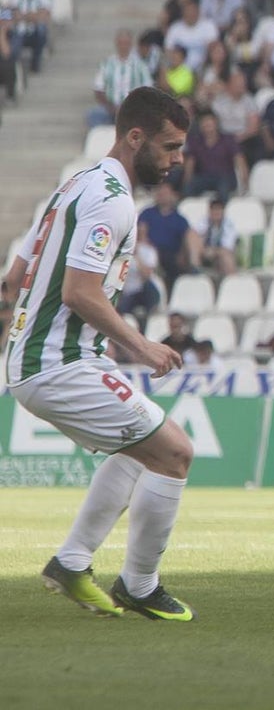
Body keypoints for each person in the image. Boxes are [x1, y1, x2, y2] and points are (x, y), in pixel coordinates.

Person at [4, 86, 195, 621]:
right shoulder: (112, 201)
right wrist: (144, 346)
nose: (177, 160)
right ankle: (139, 584)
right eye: (170, 146)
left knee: (141, 452)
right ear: (135, 137)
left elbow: (16, 275)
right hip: (57, 363)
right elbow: (79, 293)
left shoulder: (77, 184)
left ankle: (72, 563)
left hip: (52, 357)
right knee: (175, 453)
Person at [89, 29, 155, 128]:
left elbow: (148, 89)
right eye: (121, 43)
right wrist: (111, 107)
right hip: (111, 108)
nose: (123, 46)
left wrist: (133, 105)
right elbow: (98, 89)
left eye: (126, 43)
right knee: (93, 115)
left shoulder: (140, 65)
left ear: (131, 44)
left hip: (133, 108)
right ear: (116, 44)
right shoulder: (107, 64)